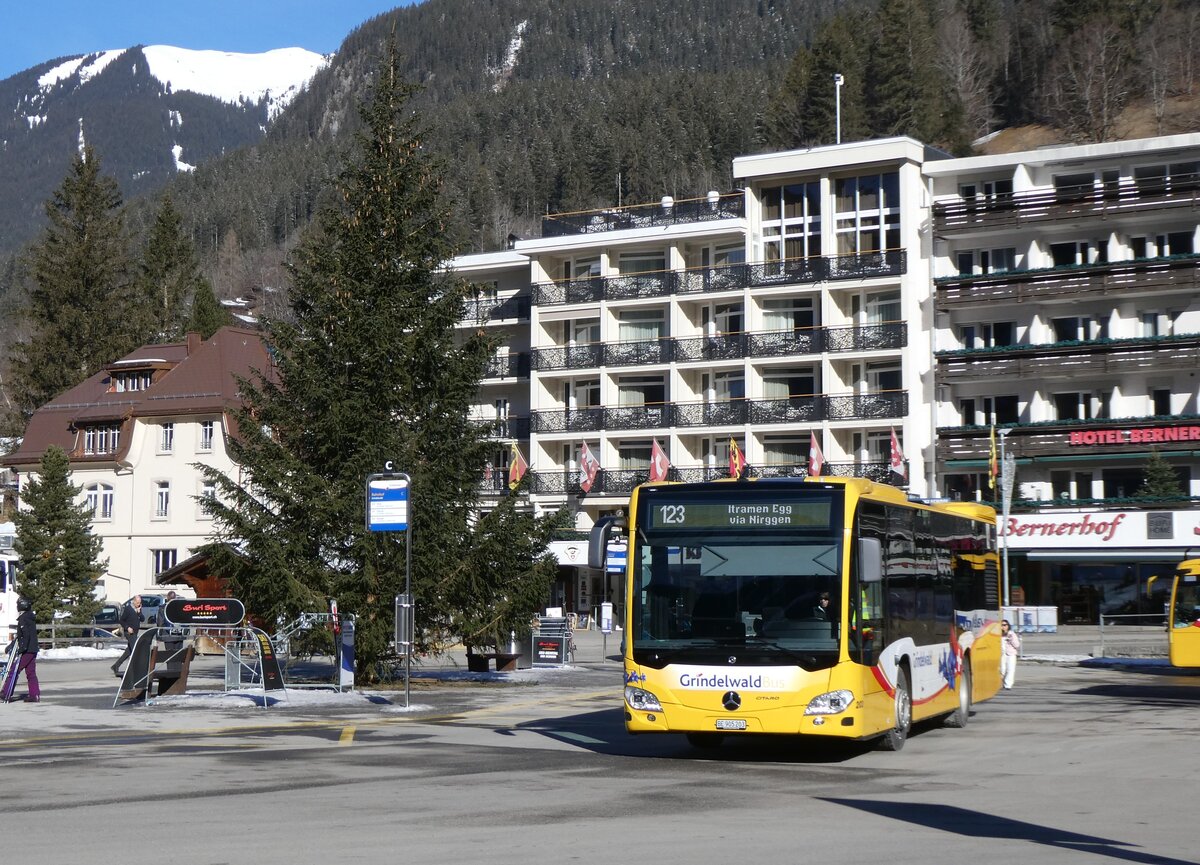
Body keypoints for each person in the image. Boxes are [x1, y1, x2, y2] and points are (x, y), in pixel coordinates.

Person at [2, 596, 40, 703]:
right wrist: (11, 646)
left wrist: (22, 649)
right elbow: (21, 636)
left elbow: (25, 635)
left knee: (14, 670)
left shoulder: (24, 618)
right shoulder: (29, 617)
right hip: (33, 649)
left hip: (27, 650)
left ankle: (6, 693)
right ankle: (34, 695)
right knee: (31, 673)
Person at [111, 595, 143, 678]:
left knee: (128, 651)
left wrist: (139, 612)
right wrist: (127, 627)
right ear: (134, 601)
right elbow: (121, 620)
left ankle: (116, 666)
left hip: (135, 632)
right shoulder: (128, 609)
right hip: (129, 632)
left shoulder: (138, 609)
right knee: (135, 650)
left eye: (140, 603)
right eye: (137, 603)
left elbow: (142, 619)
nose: (138, 604)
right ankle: (134, 670)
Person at [1000, 618, 1021, 689]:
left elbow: (1017, 645)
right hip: (1001, 654)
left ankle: (1008, 685)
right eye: (1001, 625)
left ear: (1008, 626)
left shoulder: (1011, 634)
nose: (1003, 627)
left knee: (1010, 670)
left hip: (1011, 654)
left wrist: (1011, 639)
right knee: (1002, 670)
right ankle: (1000, 682)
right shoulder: (998, 635)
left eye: (1004, 625)